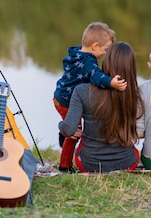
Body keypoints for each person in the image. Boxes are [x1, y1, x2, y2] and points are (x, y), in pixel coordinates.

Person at [58, 41, 144, 173]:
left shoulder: (81, 90)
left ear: (106, 62)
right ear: (131, 67)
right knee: (133, 151)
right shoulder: (135, 93)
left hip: (88, 164)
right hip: (127, 163)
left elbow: (69, 130)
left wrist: (61, 125)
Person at [53, 22, 127, 172]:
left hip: (60, 96)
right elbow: (96, 76)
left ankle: (66, 134)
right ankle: (64, 165)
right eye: (105, 49)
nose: (105, 53)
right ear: (95, 46)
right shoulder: (88, 61)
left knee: (74, 131)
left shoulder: (76, 55)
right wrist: (111, 82)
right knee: (74, 134)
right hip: (67, 102)